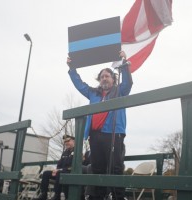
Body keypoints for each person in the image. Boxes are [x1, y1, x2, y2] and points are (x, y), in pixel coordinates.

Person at [67, 51, 133, 200]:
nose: (104, 78)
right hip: (95, 135)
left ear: (113, 79)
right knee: (97, 168)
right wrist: (72, 69)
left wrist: (124, 64)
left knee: (115, 168)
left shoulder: (119, 91)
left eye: (107, 76)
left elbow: (128, 83)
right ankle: (97, 196)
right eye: (102, 76)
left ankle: (118, 197)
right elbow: (80, 85)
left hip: (114, 133)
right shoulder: (93, 93)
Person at [34, 135, 75, 200]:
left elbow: (73, 167)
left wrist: (59, 170)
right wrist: (56, 170)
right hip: (61, 172)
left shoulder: (77, 151)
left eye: (68, 141)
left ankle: (57, 196)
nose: (66, 143)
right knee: (46, 173)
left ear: (73, 141)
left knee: (59, 173)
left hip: (70, 173)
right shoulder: (65, 152)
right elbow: (59, 164)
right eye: (65, 142)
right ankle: (43, 194)